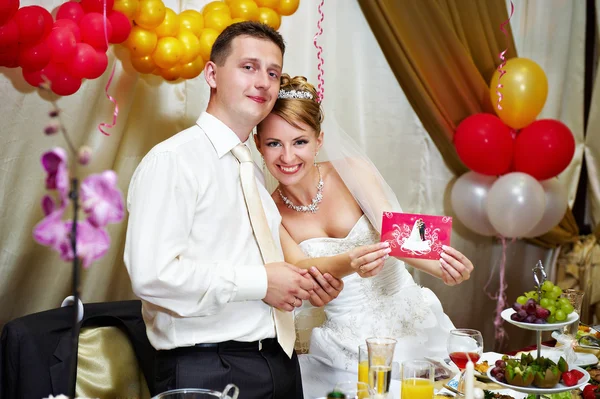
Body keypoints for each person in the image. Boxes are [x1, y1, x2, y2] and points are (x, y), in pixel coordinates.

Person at [123, 22, 347, 398]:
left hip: (278, 361)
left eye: (272, 72)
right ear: (212, 73)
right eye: (248, 67)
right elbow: (151, 274)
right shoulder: (173, 160)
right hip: (208, 367)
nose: (263, 82)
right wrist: (262, 283)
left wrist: (305, 288)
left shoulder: (252, 166)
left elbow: (251, 259)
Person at [254, 74, 475, 398]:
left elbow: (394, 229)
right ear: (259, 145)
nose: (287, 157)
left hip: (413, 326)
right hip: (346, 346)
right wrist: (350, 261)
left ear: (319, 140)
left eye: (299, 141)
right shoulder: (270, 210)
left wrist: (443, 265)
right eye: (274, 143)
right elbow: (301, 266)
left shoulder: (351, 169)